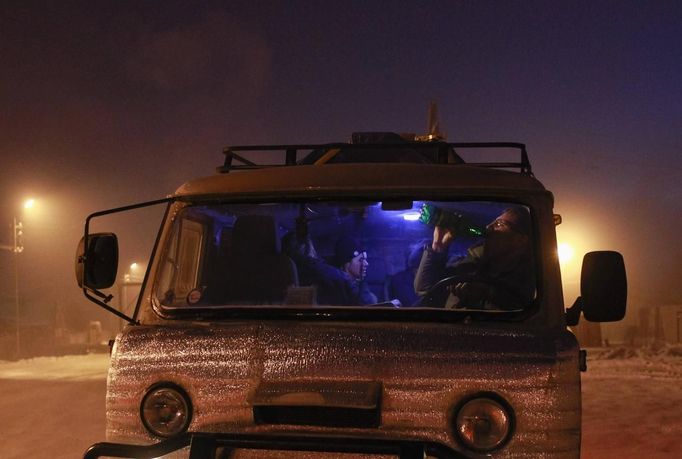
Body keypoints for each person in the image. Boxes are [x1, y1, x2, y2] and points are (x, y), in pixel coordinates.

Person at [414, 206, 534, 310]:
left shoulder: (533, 280)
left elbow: (525, 313)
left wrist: (487, 293)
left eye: (500, 224)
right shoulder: (468, 264)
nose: (488, 227)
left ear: (521, 240)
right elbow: (425, 291)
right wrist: (437, 248)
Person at [283, 232, 377, 306]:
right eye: (361, 260)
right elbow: (367, 306)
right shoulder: (339, 281)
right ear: (347, 263)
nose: (366, 263)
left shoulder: (326, 274)